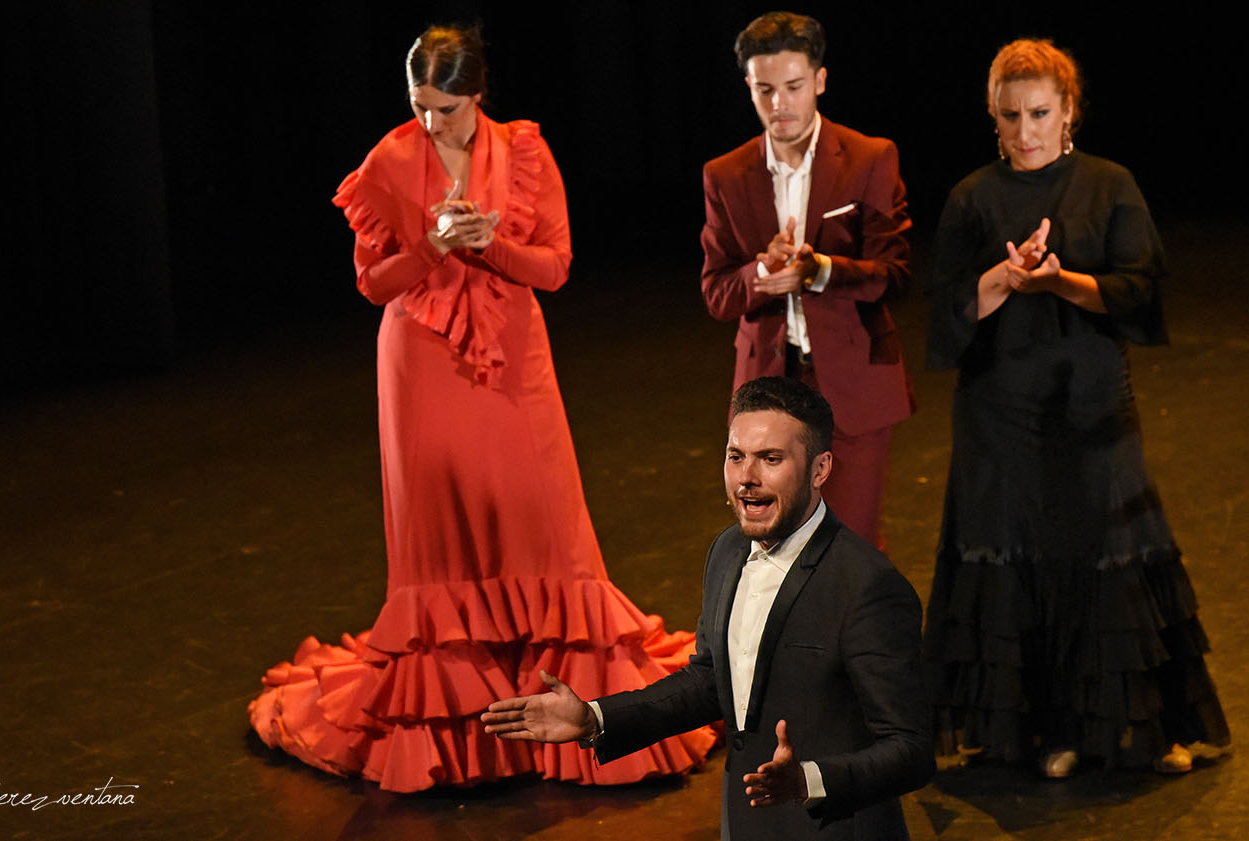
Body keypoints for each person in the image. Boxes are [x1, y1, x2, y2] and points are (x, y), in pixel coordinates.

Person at [248, 24, 715, 793]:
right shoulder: (390, 161)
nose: (432, 124)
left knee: (539, 518)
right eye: (419, 106)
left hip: (512, 355)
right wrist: (432, 245)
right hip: (420, 363)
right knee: (442, 525)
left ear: (477, 96)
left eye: (446, 109)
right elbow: (373, 284)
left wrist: (488, 244)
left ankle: (564, 706)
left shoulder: (525, 152)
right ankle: (465, 729)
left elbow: (556, 266)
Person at [923, 38, 1230, 779]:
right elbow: (949, 315)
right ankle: (1046, 732)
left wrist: (1062, 283)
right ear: (992, 118)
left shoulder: (1109, 184)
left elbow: (1137, 293)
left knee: (1109, 553)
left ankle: (1144, 731)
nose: (1025, 131)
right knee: (1022, 557)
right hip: (1001, 409)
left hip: (1090, 401)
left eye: (1039, 113)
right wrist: (1005, 274)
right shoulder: (971, 197)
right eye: (1009, 115)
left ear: (1069, 113)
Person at [483, 377, 934, 841]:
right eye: (736, 456)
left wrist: (809, 780)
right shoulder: (726, 551)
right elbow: (710, 681)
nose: (746, 478)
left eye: (771, 459)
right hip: (744, 825)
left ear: (820, 470)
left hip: (833, 830)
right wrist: (597, 719)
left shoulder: (867, 586)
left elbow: (911, 749)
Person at [700, 12, 914, 550]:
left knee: (851, 543)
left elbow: (895, 274)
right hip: (768, 382)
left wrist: (820, 270)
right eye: (764, 89)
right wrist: (760, 274)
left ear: (819, 80)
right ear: (748, 86)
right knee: (774, 544)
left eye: (793, 87)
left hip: (853, 378)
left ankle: (858, 638)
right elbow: (717, 292)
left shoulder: (869, 157)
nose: (779, 105)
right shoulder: (725, 174)